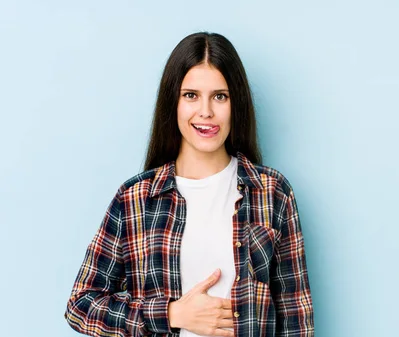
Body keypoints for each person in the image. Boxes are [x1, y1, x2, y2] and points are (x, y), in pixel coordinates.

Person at [64, 32, 314, 337]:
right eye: (191, 95)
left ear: (236, 103)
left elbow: (296, 319)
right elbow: (81, 305)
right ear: (173, 103)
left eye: (220, 96)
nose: (205, 111)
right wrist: (172, 313)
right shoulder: (135, 199)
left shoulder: (272, 193)